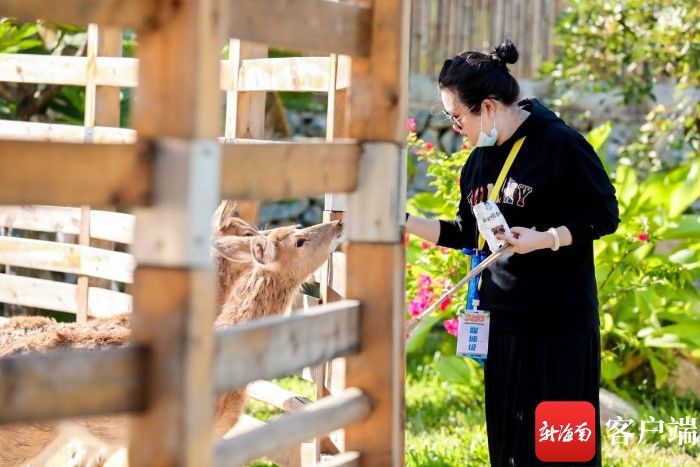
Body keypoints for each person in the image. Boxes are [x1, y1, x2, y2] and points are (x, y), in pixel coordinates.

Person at [406, 40, 619, 466]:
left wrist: (545, 237)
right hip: (503, 323)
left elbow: (604, 214)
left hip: (560, 325)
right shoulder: (478, 163)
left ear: (486, 107)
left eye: (456, 116)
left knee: (561, 450)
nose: (454, 127)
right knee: (509, 447)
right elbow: (469, 232)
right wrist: (405, 221)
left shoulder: (559, 144)